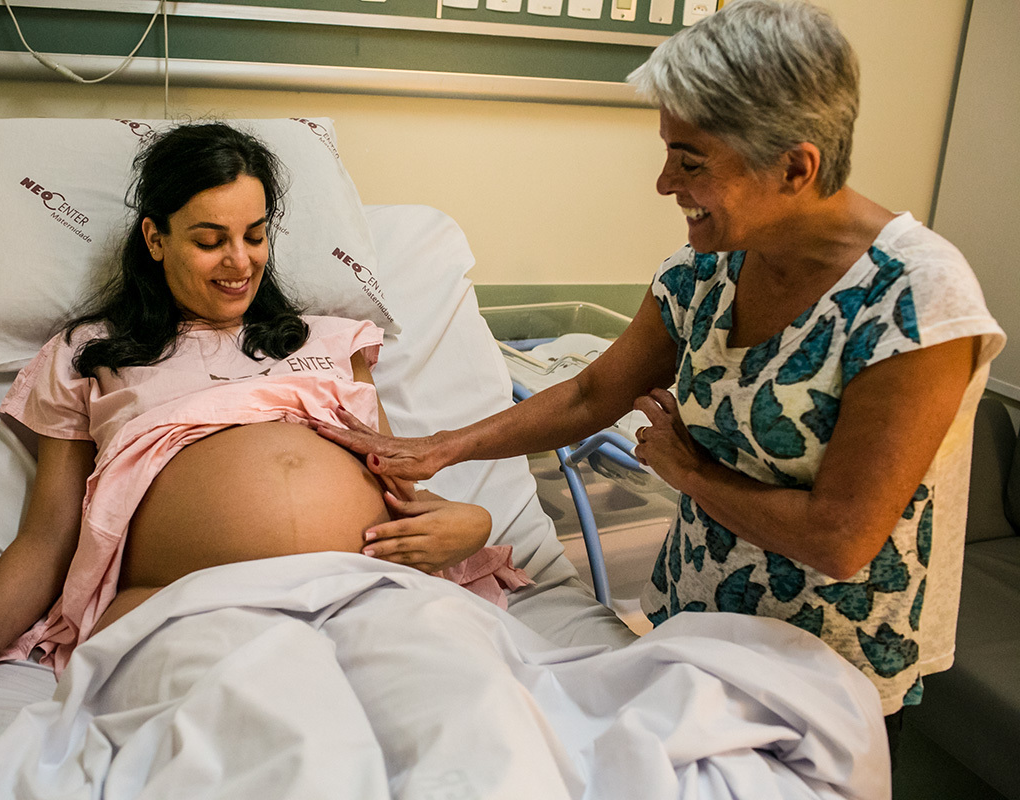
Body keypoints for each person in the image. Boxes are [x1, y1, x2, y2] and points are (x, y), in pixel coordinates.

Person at [316, 0, 1005, 748]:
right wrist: (443, 447)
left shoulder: (915, 302)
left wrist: (690, 472)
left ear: (795, 166)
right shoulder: (704, 271)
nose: (663, 182)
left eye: (691, 161)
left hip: (826, 667)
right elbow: (588, 393)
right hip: (692, 622)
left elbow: (841, 539)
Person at [0, 121, 504, 783]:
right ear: (155, 239)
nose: (240, 262)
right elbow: (49, 536)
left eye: (255, 235)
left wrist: (471, 524)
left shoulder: (334, 342)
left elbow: (404, 493)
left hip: (366, 593)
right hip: (190, 613)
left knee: (472, 735)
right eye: (209, 240)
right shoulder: (89, 356)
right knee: (293, 757)